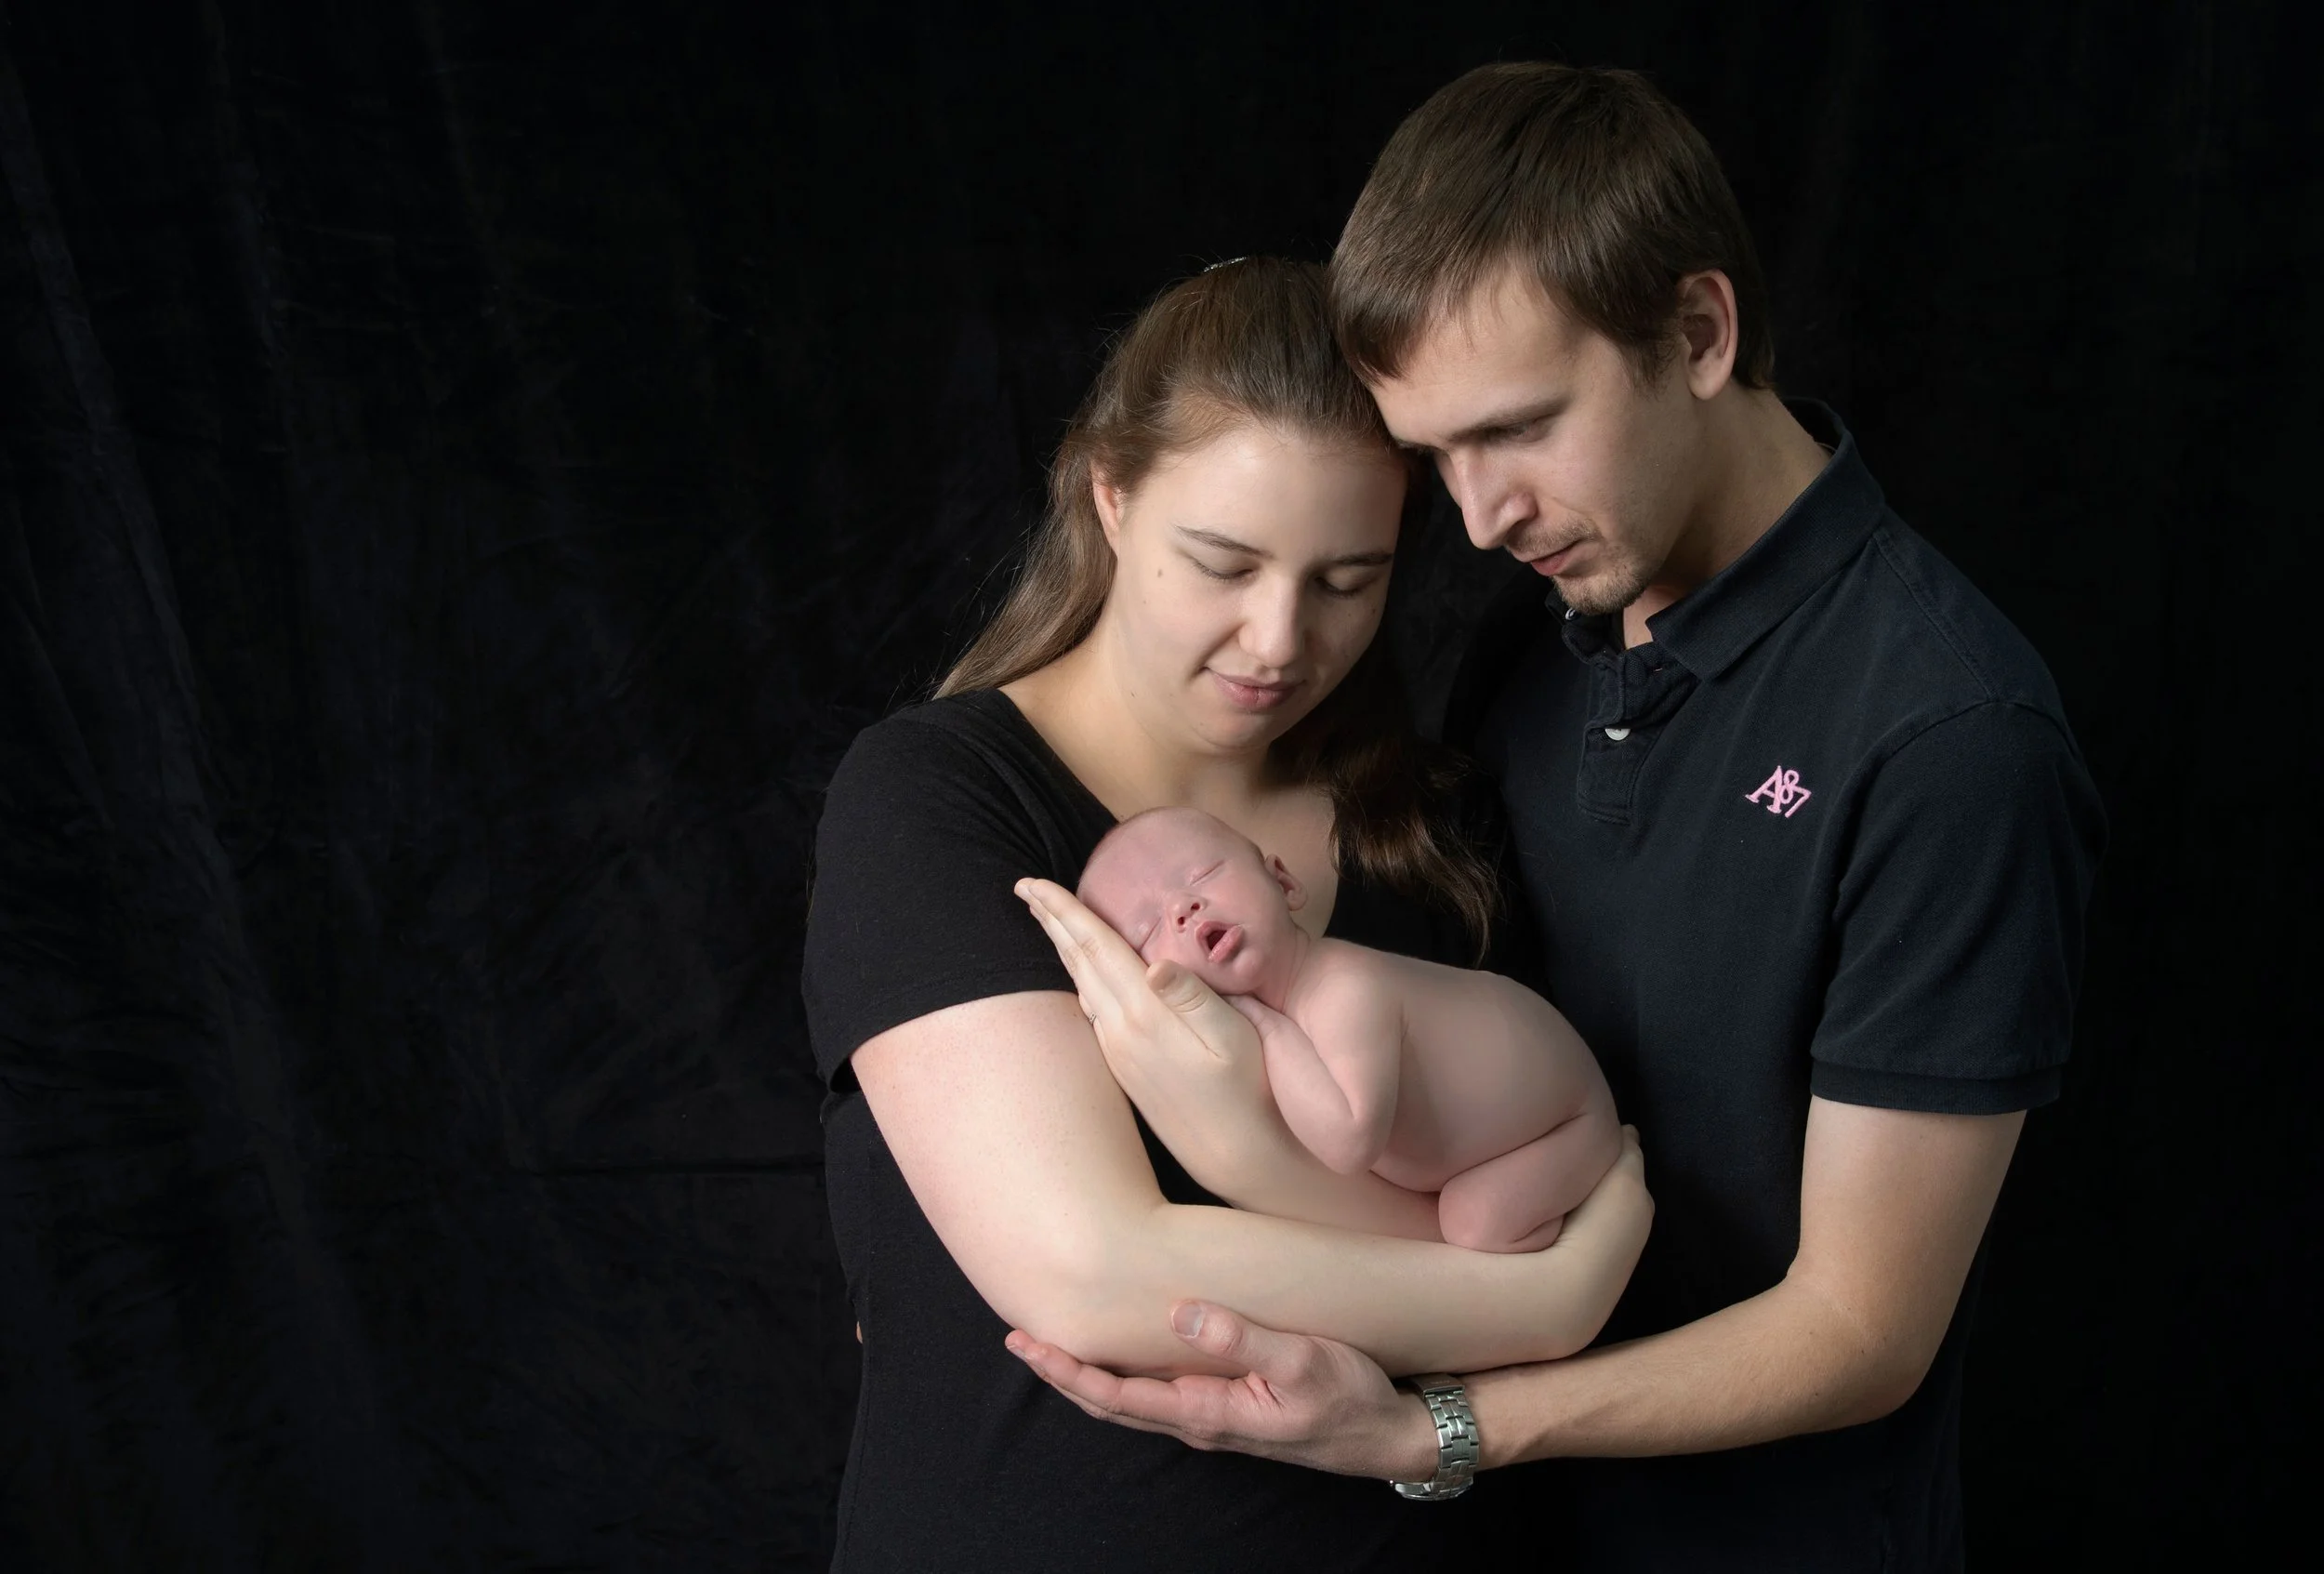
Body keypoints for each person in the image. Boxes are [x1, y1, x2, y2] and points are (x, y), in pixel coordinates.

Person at [1005, 63, 2106, 1570]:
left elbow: (1863, 1328)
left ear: (1700, 333)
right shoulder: (1537, 644)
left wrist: (1445, 1426)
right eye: (1437, 453)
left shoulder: (1949, 736)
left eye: (1519, 428)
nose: (1478, 517)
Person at [801, 257, 1653, 1572]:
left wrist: (1478, 1300)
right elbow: (1091, 1270)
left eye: (1346, 581)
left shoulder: (1432, 827)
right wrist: (1543, 1296)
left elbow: (1480, 1210)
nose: (1277, 639)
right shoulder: (943, 799)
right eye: (1224, 562)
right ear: (1112, 494)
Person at [1072, 805, 1620, 1252]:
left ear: (1283, 882)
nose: (1182, 907)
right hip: (1498, 1140)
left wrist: (1268, 1026)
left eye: (1202, 875)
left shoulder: (1343, 988)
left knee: (1475, 1224)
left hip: (1567, 1121)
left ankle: (1595, 1214)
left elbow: (1350, 1142)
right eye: (1147, 930)